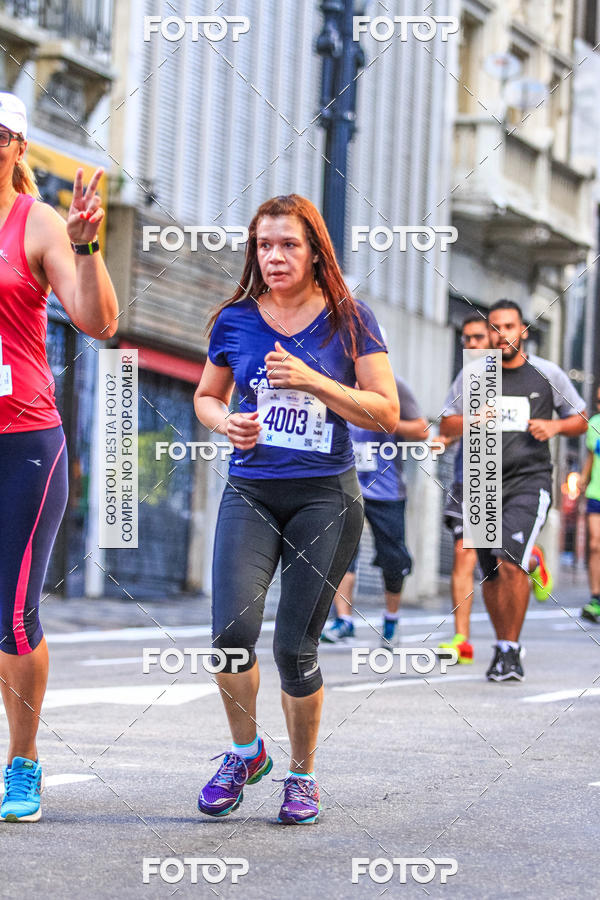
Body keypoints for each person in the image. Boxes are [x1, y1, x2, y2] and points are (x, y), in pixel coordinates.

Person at [194, 194, 398, 824]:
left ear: (314, 253)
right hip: (251, 490)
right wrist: (226, 422)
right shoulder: (234, 319)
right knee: (230, 638)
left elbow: (386, 412)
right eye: (264, 245)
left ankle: (303, 775)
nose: (275, 256)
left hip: (324, 497)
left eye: (289, 245)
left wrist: (315, 381)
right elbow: (206, 396)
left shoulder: (350, 319)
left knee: (293, 647)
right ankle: (244, 752)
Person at [0, 93, 118, 822]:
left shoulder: (37, 222)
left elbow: (98, 322)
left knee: (11, 615)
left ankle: (23, 763)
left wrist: (85, 247)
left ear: (17, 147)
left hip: (24, 442)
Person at [440, 299, 586, 681]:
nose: (502, 334)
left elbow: (581, 418)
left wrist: (555, 427)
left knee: (509, 559)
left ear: (522, 330)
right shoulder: (474, 374)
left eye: (509, 326)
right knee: (490, 570)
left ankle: (510, 648)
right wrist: (472, 418)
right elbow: (446, 425)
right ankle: (502, 645)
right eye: (495, 327)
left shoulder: (547, 374)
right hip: (482, 482)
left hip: (528, 481)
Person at [320, 376, 428, 647]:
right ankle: (344, 621)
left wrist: (387, 421)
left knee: (393, 559)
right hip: (344, 483)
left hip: (386, 489)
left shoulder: (393, 385)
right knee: (341, 554)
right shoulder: (334, 378)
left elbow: (422, 430)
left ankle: (391, 619)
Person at [438, 315, 491, 664]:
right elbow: (448, 423)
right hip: (471, 478)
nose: (470, 344)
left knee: (504, 559)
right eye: (466, 339)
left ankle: (533, 559)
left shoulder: (520, 376)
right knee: (464, 554)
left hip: (511, 480)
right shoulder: (465, 378)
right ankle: (462, 640)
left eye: (477, 338)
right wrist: (444, 438)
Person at [580, 386, 600, 622]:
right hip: (596, 492)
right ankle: (595, 598)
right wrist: (582, 480)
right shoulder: (594, 424)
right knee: (595, 544)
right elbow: (591, 457)